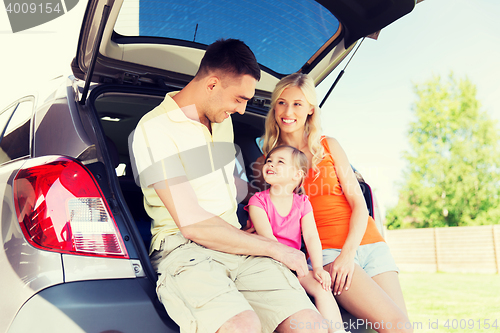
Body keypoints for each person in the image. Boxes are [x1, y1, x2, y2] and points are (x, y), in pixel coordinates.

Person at [130, 39, 327, 333]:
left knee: (308, 323)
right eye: (239, 99)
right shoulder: (155, 128)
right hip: (185, 249)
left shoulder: (222, 119)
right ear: (212, 85)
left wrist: (263, 201)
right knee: (241, 325)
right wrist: (276, 248)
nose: (243, 109)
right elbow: (192, 224)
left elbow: (227, 182)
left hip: (235, 241)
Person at [252, 73, 413, 333]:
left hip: (369, 244)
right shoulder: (268, 163)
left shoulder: (328, 146)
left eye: (297, 104)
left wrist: (349, 255)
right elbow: (269, 212)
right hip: (327, 252)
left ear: (310, 110)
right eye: (281, 102)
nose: (288, 111)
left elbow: (358, 204)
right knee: (397, 326)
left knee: (402, 329)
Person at [246, 145, 349, 333]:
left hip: (296, 265)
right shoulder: (258, 201)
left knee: (321, 286)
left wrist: (318, 268)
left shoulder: (302, 203)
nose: (271, 164)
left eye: (280, 162)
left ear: (296, 175)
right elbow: (269, 241)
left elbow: (311, 236)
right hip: (270, 264)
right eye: (269, 160)